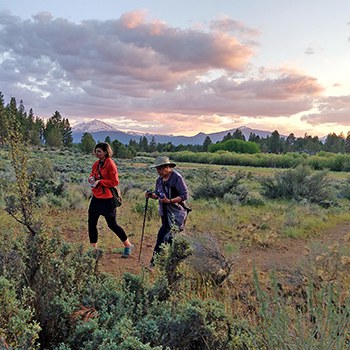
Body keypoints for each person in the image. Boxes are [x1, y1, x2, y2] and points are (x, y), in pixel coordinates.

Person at [88, 142, 133, 258]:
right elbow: (93, 174)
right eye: (96, 151)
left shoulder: (110, 164)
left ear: (105, 152)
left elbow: (115, 182)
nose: (97, 153)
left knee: (112, 224)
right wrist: (91, 179)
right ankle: (94, 249)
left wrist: (100, 182)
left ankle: (128, 245)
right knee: (91, 223)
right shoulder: (96, 164)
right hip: (96, 197)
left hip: (108, 199)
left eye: (99, 151)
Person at [146, 156, 189, 267]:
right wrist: (151, 196)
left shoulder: (176, 178)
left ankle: (158, 264)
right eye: (157, 169)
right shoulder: (159, 180)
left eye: (160, 169)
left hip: (176, 214)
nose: (158, 171)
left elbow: (184, 195)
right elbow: (159, 196)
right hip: (165, 214)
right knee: (164, 238)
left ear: (167, 167)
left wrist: (169, 201)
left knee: (168, 238)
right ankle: (160, 264)